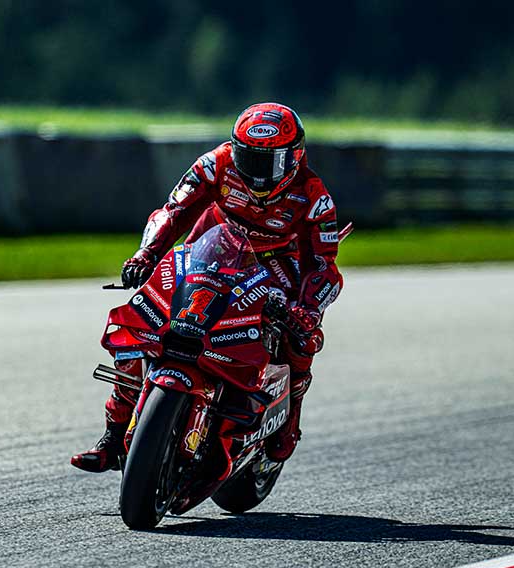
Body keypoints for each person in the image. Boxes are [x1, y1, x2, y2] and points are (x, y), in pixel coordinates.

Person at [71, 102, 343, 473]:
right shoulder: (216, 163)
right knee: (143, 318)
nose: (258, 173)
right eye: (250, 160)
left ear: (294, 157)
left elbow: (325, 266)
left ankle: (288, 420)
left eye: (270, 162)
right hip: (214, 246)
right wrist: (145, 254)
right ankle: (114, 434)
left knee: (302, 336)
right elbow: (173, 211)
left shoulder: (313, 195)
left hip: (278, 262)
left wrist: (307, 309)